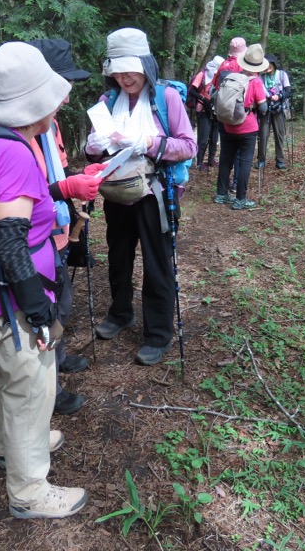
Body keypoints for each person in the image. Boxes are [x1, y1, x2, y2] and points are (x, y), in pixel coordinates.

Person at [0, 41, 87, 519]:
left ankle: (12, 448)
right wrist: (40, 314)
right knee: (28, 388)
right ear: (36, 103)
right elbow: (12, 245)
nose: (61, 102)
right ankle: (29, 491)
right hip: (12, 295)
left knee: (12, 381)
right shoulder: (15, 156)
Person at [85, 27, 196, 366]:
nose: (124, 77)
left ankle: (158, 333)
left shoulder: (166, 99)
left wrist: (150, 143)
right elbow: (94, 149)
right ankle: (120, 314)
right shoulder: (106, 103)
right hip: (117, 193)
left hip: (155, 194)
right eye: (117, 70)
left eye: (130, 69)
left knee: (157, 263)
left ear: (146, 66)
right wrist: (93, 147)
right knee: (118, 258)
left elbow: (189, 145)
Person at [25, 38, 98, 415]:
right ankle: (47, 390)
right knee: (48, 310)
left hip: (56, 230)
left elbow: (58, 169)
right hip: (33, 240)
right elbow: (26, 192)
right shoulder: (20, 131)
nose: (67, 98)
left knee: (61, 302)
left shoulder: (49, 125)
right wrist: (65, 187)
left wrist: (79, 181)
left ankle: (59, 356)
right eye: (61, 87)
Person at [214, 43, 268, 210]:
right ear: (258, 66)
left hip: (228, 126)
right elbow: (264, 108)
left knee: (225, 159)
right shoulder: (256, 82)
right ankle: (240, 199)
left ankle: (221, 194)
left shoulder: (232, 77)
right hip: (247, 129)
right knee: (244, 162)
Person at [211, 37, 248, 193]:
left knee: (226, 153)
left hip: (222, 115)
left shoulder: (223, 66)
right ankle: (236, 185)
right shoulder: (243, 66)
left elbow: (213, 89)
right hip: (239, 115)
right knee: (240, 152)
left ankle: (222, 189)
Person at [187, 55, 224, 171]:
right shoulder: (202, 75)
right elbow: (191, 91)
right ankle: (199, 162)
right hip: (203, 109)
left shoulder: (220, 76)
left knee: (214, 137)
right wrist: (203, 99)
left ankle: (211, 160)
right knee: (203, 137)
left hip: (215, 109)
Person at [257, 54, 293, 170]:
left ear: (274, 64)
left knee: (279, 135)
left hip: (279, 109)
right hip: (265, 109)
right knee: (263, 135)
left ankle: (280, 160)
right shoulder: (260, 77)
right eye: (265, 65)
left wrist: (280, 96)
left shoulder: (282, 75)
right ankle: (261, 160)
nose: (267, 67)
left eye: (269, 64)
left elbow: (288, 91)